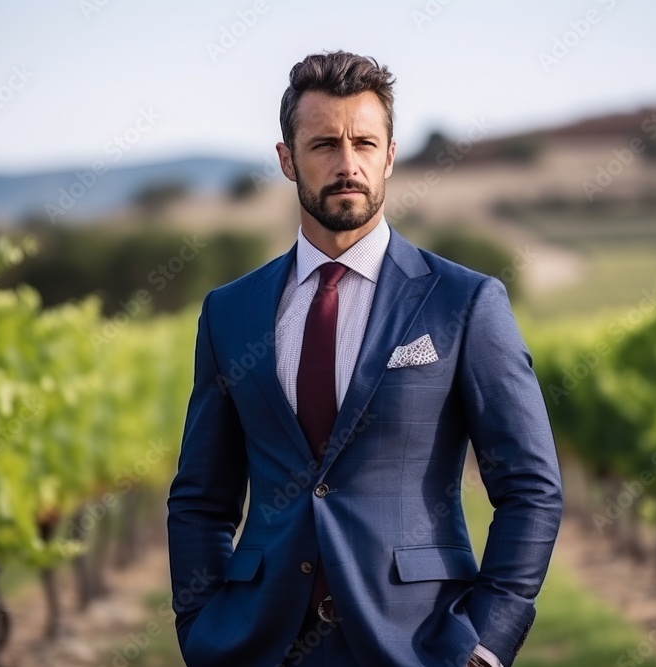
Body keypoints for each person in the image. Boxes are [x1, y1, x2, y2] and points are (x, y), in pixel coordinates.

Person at [167, 49, 563, 667]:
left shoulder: (464, 302)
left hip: (420, 642)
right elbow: (201, 498)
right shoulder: (230, 312)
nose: (347, 164)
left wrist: (488, 643)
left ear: (391, 154)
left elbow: (531, 487)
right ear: (285, 158)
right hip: (264, 644)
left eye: (364, 143)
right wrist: (200, 627)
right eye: (324, 144)